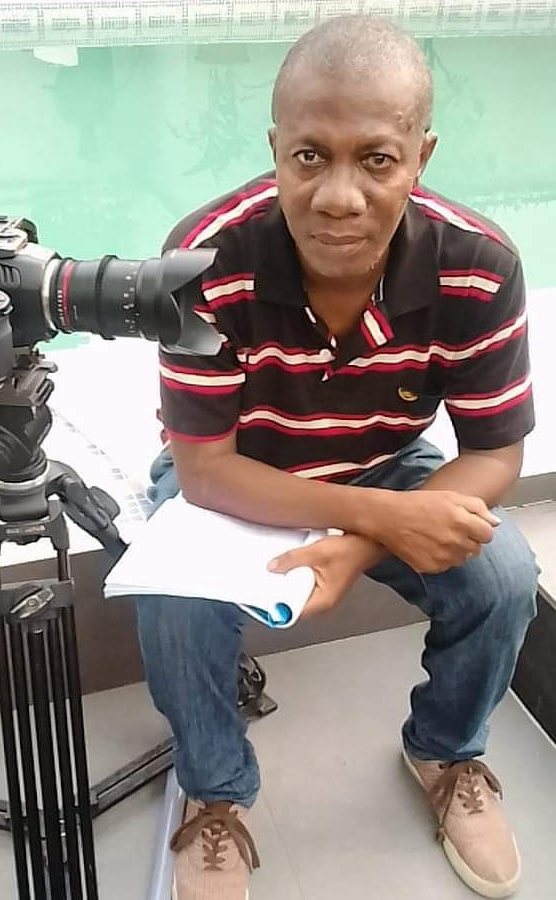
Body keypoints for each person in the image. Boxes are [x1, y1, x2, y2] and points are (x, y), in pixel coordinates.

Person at [136, 15, 540, 900]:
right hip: (240, 474)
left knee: (505, 574)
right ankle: (214, 795)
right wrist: (382, 521)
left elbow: (493, 450)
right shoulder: (202, 261)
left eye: (378, 160)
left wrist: (360, 540)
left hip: (381, 462)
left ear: (421, 156)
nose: (339, 197)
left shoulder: (478, 266)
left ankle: (445, 753)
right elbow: (204, 471)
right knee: (174, 600)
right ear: (275, 149)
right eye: (310, 157)